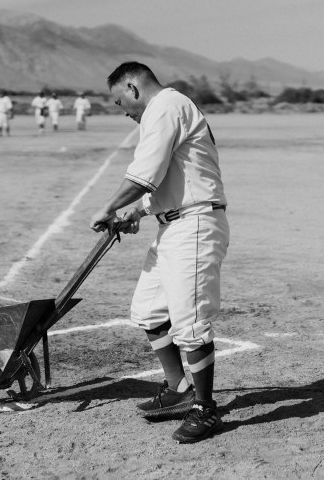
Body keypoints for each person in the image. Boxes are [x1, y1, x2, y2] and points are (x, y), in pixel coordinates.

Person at [90, 61, 229, 444]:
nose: (125, 113)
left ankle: (205, 408)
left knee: (191, 322)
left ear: (133, 88)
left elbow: (143, 173)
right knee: (149, 311)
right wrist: (136, 211)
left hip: (195, 225)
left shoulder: (165, 107)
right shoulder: (168, 110)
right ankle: (178, 389)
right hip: (174, 225)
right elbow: (165, 176)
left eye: (121, 104)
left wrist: (109, 207)